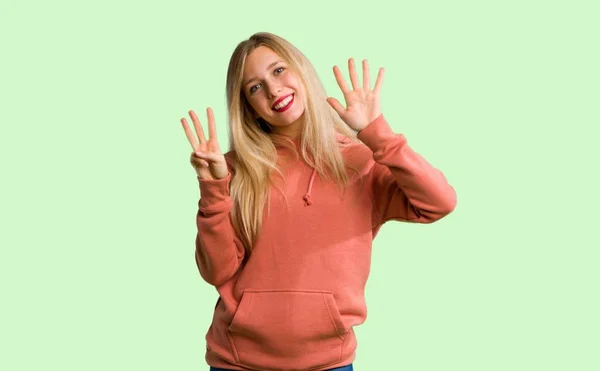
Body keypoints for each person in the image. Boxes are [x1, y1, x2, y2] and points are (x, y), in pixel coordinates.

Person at [180, 32, 457, 371]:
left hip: (328, 363)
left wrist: (378, 134)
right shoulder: (232, 169)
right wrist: (212, 190)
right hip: (238, 362)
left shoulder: (361, 161)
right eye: (255, 87)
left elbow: (438, 202)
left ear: (301, 69)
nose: (273, 90)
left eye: (279, 70)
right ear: (249, 109)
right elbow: (216, 271)